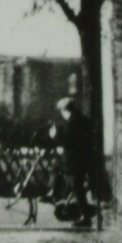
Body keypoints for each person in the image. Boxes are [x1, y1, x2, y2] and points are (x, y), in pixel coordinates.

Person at [49, 95, 97, 228]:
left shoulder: (72, 122)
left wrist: (55, 135)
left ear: (65, 110)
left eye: (61, 111)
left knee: (77, 187)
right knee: (60, 170)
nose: (62, 114)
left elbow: (68, 141)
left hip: (75, 160)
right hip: (85, 158)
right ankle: (55, 193)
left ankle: (85, 216)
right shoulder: (83, 120)